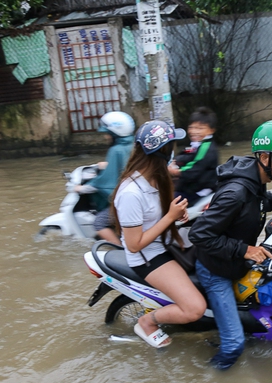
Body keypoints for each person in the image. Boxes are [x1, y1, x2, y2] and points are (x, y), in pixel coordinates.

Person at [188, 120, 272, 369]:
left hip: (233, 261)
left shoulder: (254, 178)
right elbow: (199, 234)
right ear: (265, 158)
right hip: (216, 270)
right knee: (234, 346)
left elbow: (252, 203)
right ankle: (210, 381)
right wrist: (246, 249)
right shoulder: (235, 192)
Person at [112, 120, 207, 348]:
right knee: (195, 308)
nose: (175, 150)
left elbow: (158, 215)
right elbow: (135, 245)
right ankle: (146, 322)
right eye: (172, 145)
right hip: (149, 256)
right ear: (163, 151)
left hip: (166, 242)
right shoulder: (130, 193)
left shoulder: (157, 176)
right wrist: (170, 218)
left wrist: (179, 214)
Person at [74, 111, 135, 244]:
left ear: (115, 133)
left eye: (108, 133)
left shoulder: (116, 150)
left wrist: (82, 188)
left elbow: (105, 182)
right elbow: (125, 166)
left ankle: (120, 250)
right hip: (138, 194)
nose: (106, 137)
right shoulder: (133, 145)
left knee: (99, 223)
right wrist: (107, 165)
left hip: (127, 201)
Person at [167, 107, 219, 205]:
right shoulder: (196, 144)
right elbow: (185, 154)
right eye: (192, 127)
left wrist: (177, 172)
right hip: (189, 186)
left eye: (200, 128)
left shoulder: (206, 147)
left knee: (166, 202)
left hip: (199, 190)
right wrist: (175, 162)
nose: (194, 131)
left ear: (211, 130)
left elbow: (196, 167)